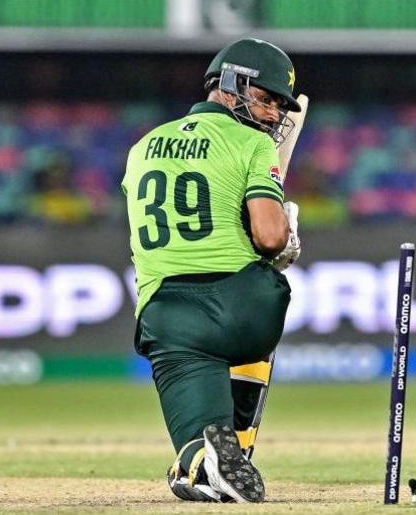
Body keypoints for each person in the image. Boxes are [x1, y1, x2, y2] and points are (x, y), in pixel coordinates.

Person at [122, 38, 304, 503]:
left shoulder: (142, 147)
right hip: (248, 307)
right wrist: (283, 239)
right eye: (266, 99)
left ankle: (202, 459)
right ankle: (220, 462)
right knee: (266, 287)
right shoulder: (252, 143)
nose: (273, 115)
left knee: (194, 433)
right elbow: (268, 238)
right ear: (229, 86)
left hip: (171, 316)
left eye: (279, 106)